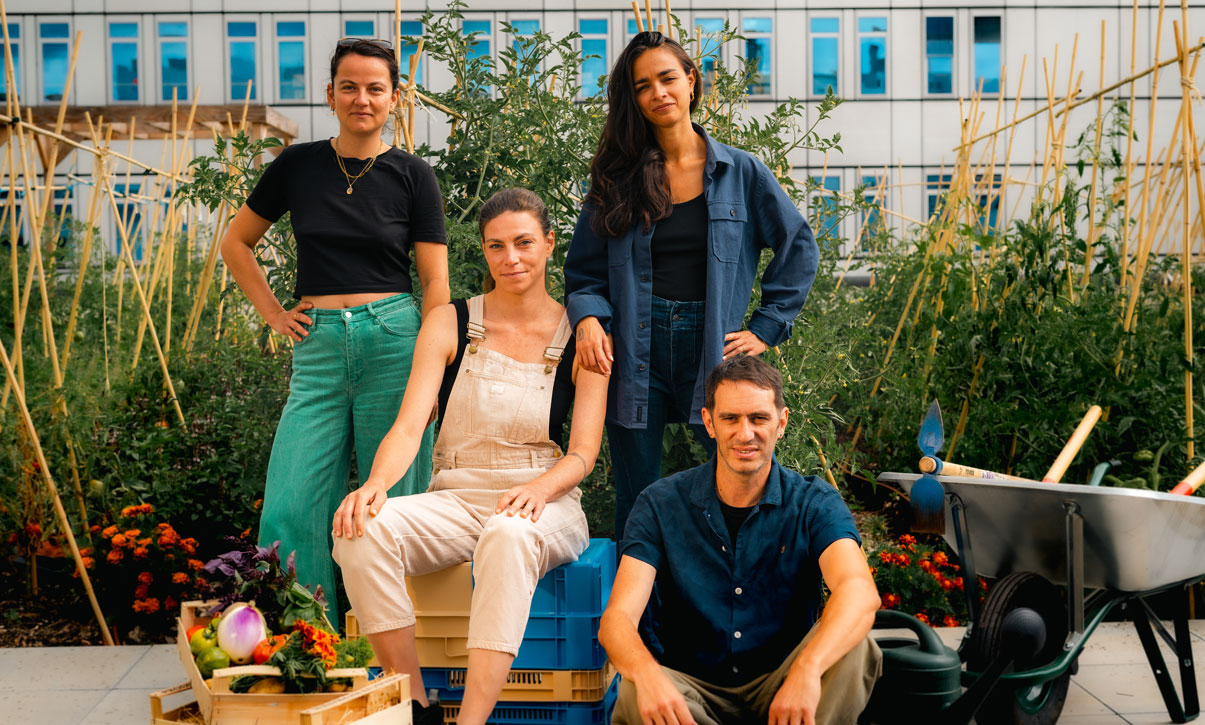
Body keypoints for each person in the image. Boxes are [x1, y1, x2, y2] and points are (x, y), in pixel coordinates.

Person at [331, 188, 609, 725]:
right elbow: (409, 427)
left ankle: (471, 721)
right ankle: (416, 707)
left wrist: (539, 489)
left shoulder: (583, 336)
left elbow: (583, 453)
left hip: (544, 502)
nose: (511, 258)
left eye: (524, 243)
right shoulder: (449, 322)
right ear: (483, 250)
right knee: (361, 530)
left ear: (550, 244)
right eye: (496, 246)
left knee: (508, 534)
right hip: (455, 498)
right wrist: (376, 485)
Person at [220, 38, 449, 619]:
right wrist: (274, 314)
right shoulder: (297, 166)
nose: (361, 99)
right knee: (290, 504)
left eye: (375, 88)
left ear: (395, 99)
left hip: (395, 344)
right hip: (317, 347)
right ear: (330, 94)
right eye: (349, 87)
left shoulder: (413, 175)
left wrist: (432, 373)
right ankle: (311, 640)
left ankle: (396, 647)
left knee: (393, 504)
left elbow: (436, 284)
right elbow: (236, 243)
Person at [564, 31, 820, 540]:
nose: (658, 92)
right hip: (635, 350)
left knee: (744, 480)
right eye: (643, 86)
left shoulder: (740, 172)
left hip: (714, 349)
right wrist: (589, 317)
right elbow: (585, 270)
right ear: (633, 98)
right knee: (638, 495)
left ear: (691, 81)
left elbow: (798, 246)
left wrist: (766, 327)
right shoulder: (618, 178)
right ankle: (639, 591)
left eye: (667, 78)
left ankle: (749, 579)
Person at [600, 355, 882, 725]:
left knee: (857, 649)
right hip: (691, 693)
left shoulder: (814, 502)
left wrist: (808, 669)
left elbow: (858, 591)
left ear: (781, 423)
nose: (745, 433)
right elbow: (618, 619)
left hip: (784, 685)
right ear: (709, 422)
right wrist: (647, 674)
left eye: (758, 418)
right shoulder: (660, 503)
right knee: (636, 690)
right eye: (730, 418)